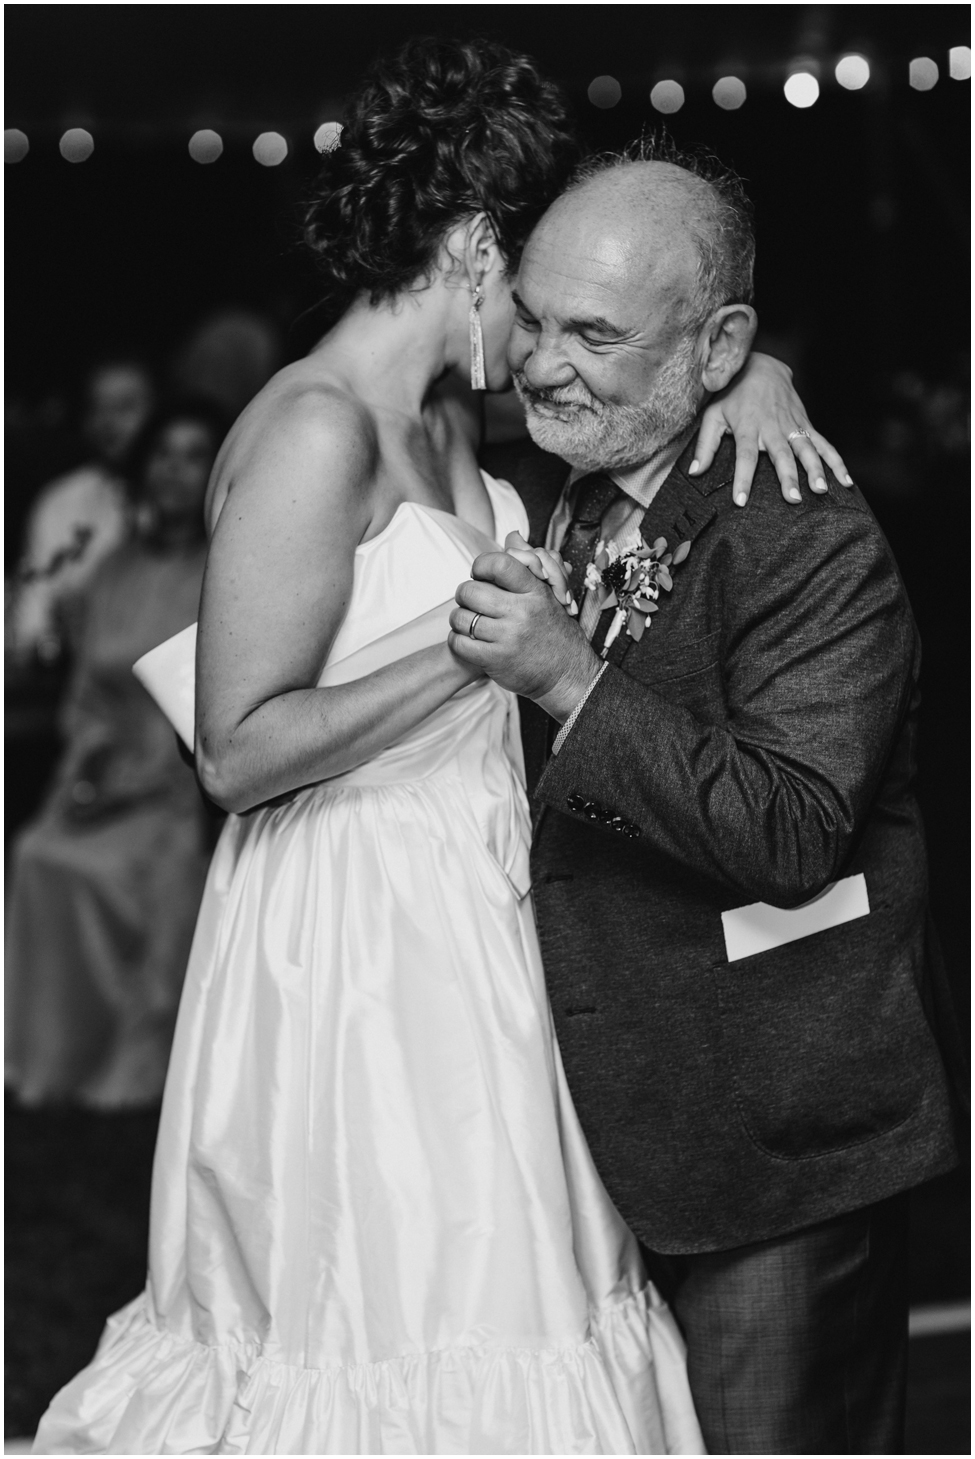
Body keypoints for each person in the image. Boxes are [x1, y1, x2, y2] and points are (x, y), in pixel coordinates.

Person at [35, 40, 850, 1455]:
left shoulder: (443, 415)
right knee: (391, 1309)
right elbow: (232, 749)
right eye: (528, 298)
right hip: (355, 942)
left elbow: (645, 376)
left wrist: (754, 372)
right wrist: (468, 647)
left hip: (479, 912)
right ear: (475, 246)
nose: (540, 341)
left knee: (521, 1293)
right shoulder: (310, 426)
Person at [447, 146, 960, 1454]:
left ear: (719, 343)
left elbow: (790, 830)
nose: (540, 365)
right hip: (577, 1135)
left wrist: (568, 675)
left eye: (594, 334)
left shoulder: (806, 536)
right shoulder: (558, 479)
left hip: (767, 1145)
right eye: (536, 319)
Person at [5, 400, 225, 1110]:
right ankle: (49, 1054)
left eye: (194, 454)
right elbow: (84, 698)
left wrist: (137, 780)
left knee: (109, 869)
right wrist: (89, 774)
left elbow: (212, 703)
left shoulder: (223, 569)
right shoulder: (110, 570)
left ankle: (125, 1061)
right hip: (97, 772)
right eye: (164, 452)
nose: (174, 469)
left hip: (180, 789)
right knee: (38, 852)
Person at [7, 358, 156, 665]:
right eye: (98, 408)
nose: (110, 422)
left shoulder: (181, 498)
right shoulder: (61, 501)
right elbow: (32, 618)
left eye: (125, 407)